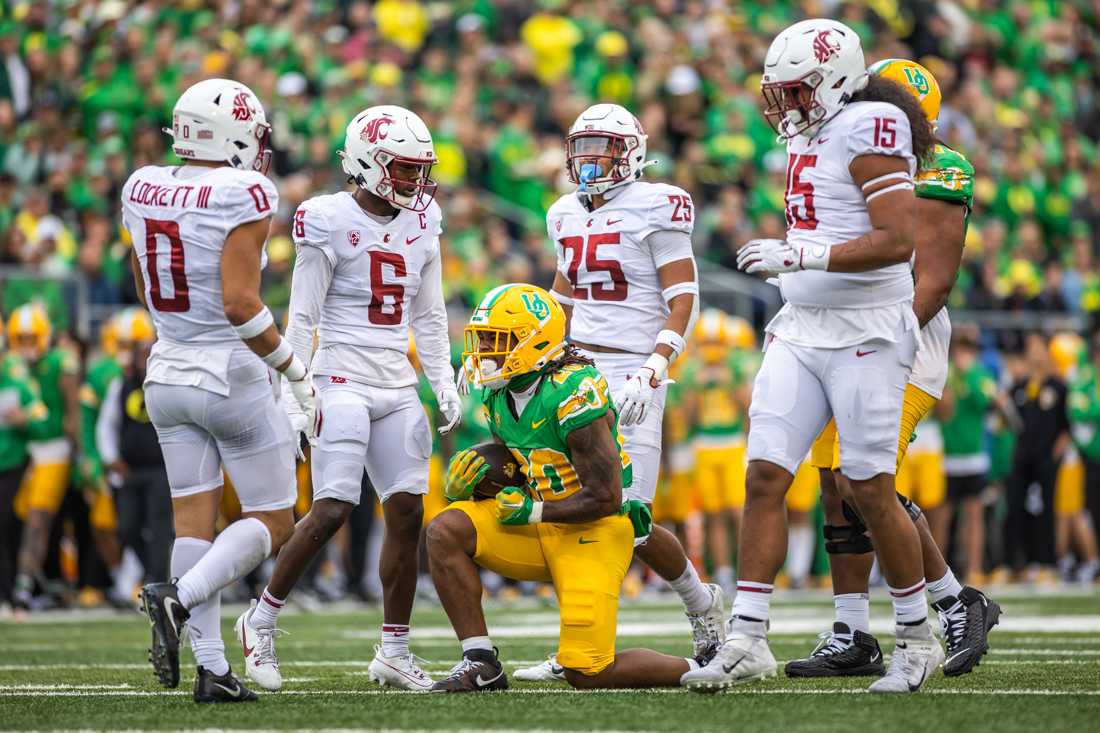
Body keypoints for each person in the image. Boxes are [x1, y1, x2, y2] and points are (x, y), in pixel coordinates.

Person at [682, 20, 941, 694]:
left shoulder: (871, 123)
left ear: (835, 81)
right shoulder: (808, 132)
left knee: (866, 487)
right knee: (765, 474)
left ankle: (916, 635)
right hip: (802, 325)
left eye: (798, 90)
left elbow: (896, 238)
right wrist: (801, 260)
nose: (787, 103)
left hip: (867, 327)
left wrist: (801, 254)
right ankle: (747, 635)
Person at [234, 105, 461, 693]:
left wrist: (443, 380)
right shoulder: (324, 218)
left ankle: (394, 649)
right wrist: (294, 392)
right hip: (338, 378)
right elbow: (302, 316)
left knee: (408, 514)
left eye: (419, 170)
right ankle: (260, 619)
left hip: (395, 379)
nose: (415, 181)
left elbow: (430, 314)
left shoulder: (424, 218)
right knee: (333, 507)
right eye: (403, 168)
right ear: (367, 163)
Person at [786, 59, 999, 681]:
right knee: (832, 481)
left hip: (900, 335)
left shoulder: (939, 167)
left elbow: (932, 279)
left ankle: (957, 601)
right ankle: (852, 630)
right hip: (839, 330)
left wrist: (884, 341)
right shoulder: (839, 148)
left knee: (861, 478)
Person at [511, 102, 723, 683]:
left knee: (626, 516)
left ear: (629, 152)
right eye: (581, 146)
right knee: (577, 508)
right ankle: (581, 642)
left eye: (601, 147)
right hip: (574, 368)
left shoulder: (658, 204)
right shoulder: (563, 212)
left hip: (634, 369)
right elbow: (564, 296)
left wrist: (655, 366)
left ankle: (702, 606)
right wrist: (536, 350)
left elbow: (684, 297)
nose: (587, 159)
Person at [128, 78, 313, 703]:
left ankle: (213, 671)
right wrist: (292, 369)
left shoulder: (141, 185)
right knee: (276, 519)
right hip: (228, 371)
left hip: (166, 368)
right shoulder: (248, 189)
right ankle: (177, 596)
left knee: (194, 526)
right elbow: (240, 303)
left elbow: (144, 283)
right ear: (233, 133)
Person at [428, 283, 707, 692]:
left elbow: (606, 497)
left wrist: (532, 511)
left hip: (594, 531)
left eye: (495, 340)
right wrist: (473, 482)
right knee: (444, 529)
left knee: (588, 671)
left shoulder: (573, 391)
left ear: (532, 341)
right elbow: (521, 466)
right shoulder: (500, 392)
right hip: (543, 523)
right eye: (482, 338)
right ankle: (481, 662)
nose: (483, 350)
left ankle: (707, 665)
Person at [7, 302, 80, 611]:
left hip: (55, 450)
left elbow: (72, 416)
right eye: (19, 338)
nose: (25, 346)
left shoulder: (60, 362)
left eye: (30, 338)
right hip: (30, 452)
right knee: (23, 518)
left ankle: (24, 587)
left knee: (38, 520)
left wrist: (83, 457)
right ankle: (46, 582)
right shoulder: (17, 367)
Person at [95, 310, 173, 587]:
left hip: (161, 469)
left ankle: (156, 581)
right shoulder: (122, 385)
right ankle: (151, 575)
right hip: (130, 469)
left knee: (160, 529)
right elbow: (107, 424)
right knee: (126, 528)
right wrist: (111, 457)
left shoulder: (167, 383)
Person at [1005, 331, 1070, 580]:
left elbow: (1066, 424)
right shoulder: (1019, 386)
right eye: (1029, 347)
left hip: (1046, 457)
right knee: (1015, 508)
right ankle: (1016, 565)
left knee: (1046, 511)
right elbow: (1009, 421)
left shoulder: (1058, 386)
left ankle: (1047, 564)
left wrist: (1058, 451)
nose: (1033, 352)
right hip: (1022, 457)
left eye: (1037, 346)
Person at [939, 326, 998, 584]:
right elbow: (941, 410)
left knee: (974, 514)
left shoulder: (980, 374)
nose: (963, 352)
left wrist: (968, 377)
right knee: (942, 515)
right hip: (948, 454)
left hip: (974, 454)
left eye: (968, 347)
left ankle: (973, 568)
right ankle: (937, 570)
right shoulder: (946, 373)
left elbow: (985, 402)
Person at [0, 339, 50, 612]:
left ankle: (8, 595)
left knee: (6, 526)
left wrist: (25, 421)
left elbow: (43, 422)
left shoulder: (16, 386)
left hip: (10, 466)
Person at [1067, 330, 1100, 584]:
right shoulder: (1085, 377)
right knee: (1089, 509)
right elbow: (1077, 411)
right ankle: (1092, 561)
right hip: (1091, 455)